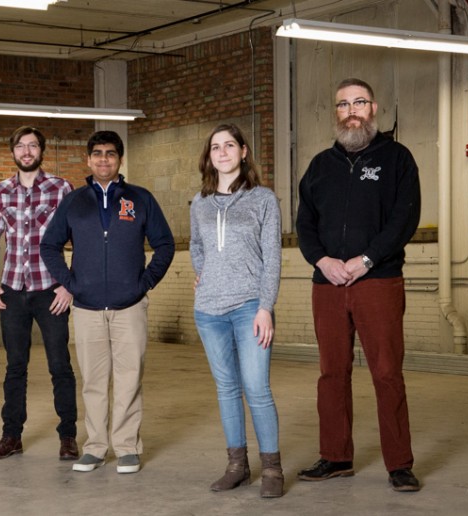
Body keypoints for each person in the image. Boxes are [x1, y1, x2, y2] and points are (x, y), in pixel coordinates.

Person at [295, 78, 422, 492]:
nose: (352, 110)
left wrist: (366, 260)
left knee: (387, 373)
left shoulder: (397, 159)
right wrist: (322, 260)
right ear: (336, 113)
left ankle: (399, 464)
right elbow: (305, 224)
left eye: (359, 102)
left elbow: (404, 219)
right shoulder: (319, 166)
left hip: (378, 281)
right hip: (327, 283)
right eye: (343, 104)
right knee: (332, 373)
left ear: (374, 107)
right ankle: (335, 457)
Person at [41, 130, 174, 474]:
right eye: (97, 153)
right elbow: (49, 246)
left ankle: (127, 447)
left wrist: (143, 284)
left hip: (129, 307)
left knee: (130, 378)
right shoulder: (74, 201)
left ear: (120, 159)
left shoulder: (140, 199)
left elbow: (165, 245)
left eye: (111, 154)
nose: (104, 159)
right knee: (94, 382)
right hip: (86, 309)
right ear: (88, 159)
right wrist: (71, 284)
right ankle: (96, 447)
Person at [190, 124, 284, 498]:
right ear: (209, 156)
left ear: (243, 152)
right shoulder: (199, 202)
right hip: (208, 311)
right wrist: (203, 273)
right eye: (216, 147)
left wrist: (265, 307)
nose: (223, 152)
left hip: (249, 308)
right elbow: (197, 245)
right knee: (227, 389)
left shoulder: (263, 199)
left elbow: (272, 258)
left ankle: (272, 469)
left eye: (230, 145)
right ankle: (237, 466)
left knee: (257, 389)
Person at [0, 126, 78, 461]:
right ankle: (12, 436)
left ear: (41, 151)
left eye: (32, 146)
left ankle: (68, 436)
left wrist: (69, 285)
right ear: (13, 151)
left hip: (50, 291)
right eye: (20, 146)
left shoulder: (61, 188)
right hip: (12, 292)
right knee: (15, 366)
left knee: (59, 364)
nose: (26, 151)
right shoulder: (1, 192)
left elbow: (80, 239)